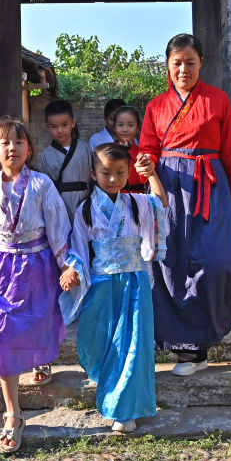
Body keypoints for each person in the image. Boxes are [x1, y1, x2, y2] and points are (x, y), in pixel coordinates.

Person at [0, 117, 89, 453]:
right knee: (2, 333)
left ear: (29, 149)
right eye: (5, 142)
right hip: (2, 270)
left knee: (38, 321)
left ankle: (41, 359)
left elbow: (58, 225)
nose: (12, 148)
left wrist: (66, 265)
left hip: (37, 265)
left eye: (19, 142)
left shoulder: (42, 184)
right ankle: (13, 414)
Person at [137, 33, 231, 377]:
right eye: (177, 63)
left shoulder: (218, 100)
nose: (183, 69)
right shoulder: (156, 106)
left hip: (210, 189)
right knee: (169, 263)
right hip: (169, 191)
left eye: (190, 62)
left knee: (216, 262)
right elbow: (147, 150)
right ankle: (188, 351)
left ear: (201, 63)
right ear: (168, 65)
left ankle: (204, 335)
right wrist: (144, 163)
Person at [71, 143, 168, 433]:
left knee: (133, 344)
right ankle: (111, 387)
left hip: (135, 281)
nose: (113, 179)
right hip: (101, 283)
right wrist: (72, 270)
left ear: (128, 173)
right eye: (106, 173)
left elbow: (160, 203)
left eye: (120, 172)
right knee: (97, 341)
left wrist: (151, 174)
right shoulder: (85, 210)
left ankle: (124, 411)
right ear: (93, 174)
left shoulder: (137, 203)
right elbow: (77, 249)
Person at [37, 99, 92, 220]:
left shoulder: (85, 148)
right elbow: (43, 186)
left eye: (64, 125)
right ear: (47, 126)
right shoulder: (46, 155)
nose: (60, 130)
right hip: (58, 204)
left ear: (73, 123)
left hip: (85, 202)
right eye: (54, 126)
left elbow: (93, 177)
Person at [112, 105, 147, 193]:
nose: (125, 129)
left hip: (138, 198)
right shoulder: (107, 152)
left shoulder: (143, 154)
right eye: (120, 125)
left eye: (130, 125)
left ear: (138, 128)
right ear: (114, 127)